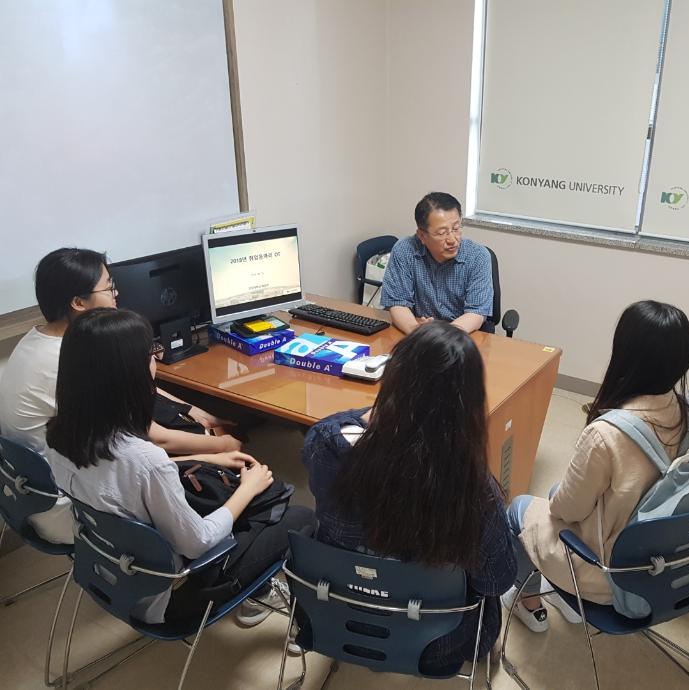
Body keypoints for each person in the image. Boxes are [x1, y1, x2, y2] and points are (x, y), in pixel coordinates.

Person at [45, 308, 314, 625]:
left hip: (111, 570)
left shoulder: (60, 437)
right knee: (298, 516)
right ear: (130, 376)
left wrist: (207, 458)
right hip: (170, 596)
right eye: (150, 354)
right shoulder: (146, 461)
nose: (155, 360)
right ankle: (289, 616)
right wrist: (247, 488)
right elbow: (197, 542)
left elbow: (126, 477)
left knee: (222, 491)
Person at [301, 321, 515, 674]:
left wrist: (377, 414)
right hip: (436, 644)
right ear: (469, 405)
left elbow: (347, 429)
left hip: (334, 617)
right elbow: (496, 579)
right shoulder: (473, 488)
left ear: (393, 377)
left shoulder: (324, 443)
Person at [0, 248, 245, 544]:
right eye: (108, 288)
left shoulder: (46, 339)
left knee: (178, 426)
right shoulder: (64, 359)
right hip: (78, 500)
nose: (116, 294)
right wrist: (223, 445)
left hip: (39, 485)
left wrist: (189, 407)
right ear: (78, 302)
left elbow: (131, 383)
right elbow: (157, 440)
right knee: (202, 464)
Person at [503, 301, 689, 632]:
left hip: (606, 573)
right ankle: (569, 599)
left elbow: (567, 509)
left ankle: (530, 601)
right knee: (556, 493)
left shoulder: (607, 433)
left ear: (625, 354)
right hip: (656, 564)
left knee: (519, 508)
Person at [380, 192, 494, 334]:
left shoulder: (478, 256)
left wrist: (440, 337)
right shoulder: (405, 250)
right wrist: (415, 330)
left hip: (463, 336)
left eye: (456, 229)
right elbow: (397, 302)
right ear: (422, 235)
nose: (452, 239)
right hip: (420, 332)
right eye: (441, 233)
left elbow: (476, 313)